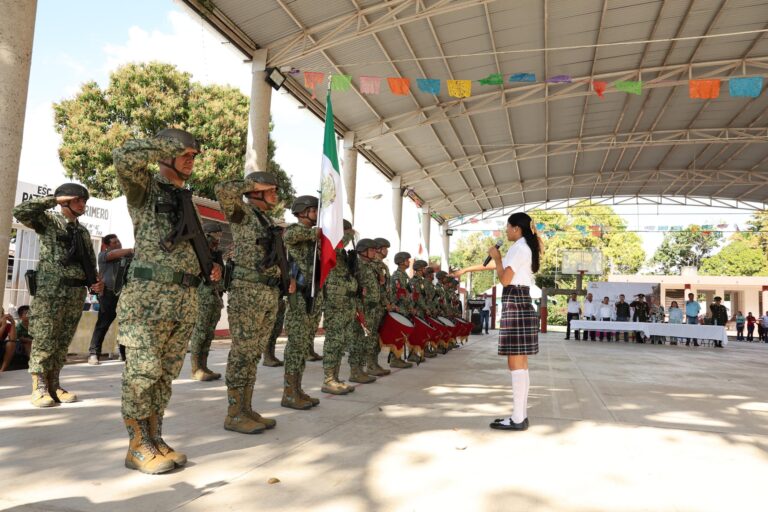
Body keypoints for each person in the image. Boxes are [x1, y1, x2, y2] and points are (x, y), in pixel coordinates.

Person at [113, 129, 221, 474]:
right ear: (166, 154)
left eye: (194, 155)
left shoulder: (185, 198)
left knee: (163, 377)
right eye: (185, 153)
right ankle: (137, 445)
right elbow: (124, 156)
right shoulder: (145, 188)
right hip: (148, 301)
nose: (191, 159)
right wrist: (166, 144)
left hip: (184, 299)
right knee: (142, 373)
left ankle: (155, 438)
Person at [13, 183, 103, 408]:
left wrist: (96, 282)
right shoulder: (49, 221)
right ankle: (39, 386)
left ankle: (54, 384)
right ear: (65, 201)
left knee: (62, 341)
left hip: (74, 293)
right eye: (78, 200)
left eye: (84, 201)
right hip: (50, 292)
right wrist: (54, 199)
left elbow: (90, 263)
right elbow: (20, 211)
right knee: (45, 338)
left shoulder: (82, 232)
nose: (83, 204)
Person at [454, 212, 543, 431]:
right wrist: (465, 270)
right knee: (520, 364)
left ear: (516, 229)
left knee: (515, 364)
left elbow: (504, 279)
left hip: (515, 300)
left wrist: (497, 257)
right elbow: (498, 269)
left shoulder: (520, 248)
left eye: (507, 227)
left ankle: (518, 418)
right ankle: (520, 415)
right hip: (520, 299)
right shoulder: (523, 247)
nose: (505, 230)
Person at [215, 172, 285, 432]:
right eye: (271, 190)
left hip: (267, 292)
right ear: (257, 192)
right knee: (242, 352)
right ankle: (234, 413)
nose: (276, 195)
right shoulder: (242, 213)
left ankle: (246, 408)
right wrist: (254, 184)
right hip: (247, 290)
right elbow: (222, 188)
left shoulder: (266, 220)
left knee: (254, 353)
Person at [282, 195, 324, 410]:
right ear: (302, 212)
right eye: (314, 210)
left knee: (303, 343)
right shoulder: (294, 231)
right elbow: (294, 235)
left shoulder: (312, 236)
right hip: (297, 294)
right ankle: (289, 392)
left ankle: (297, 389)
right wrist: (316, 234)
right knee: (296, 344)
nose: (318, 214)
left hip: (311, 293)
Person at [320, 220, 358, 395]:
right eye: (346, 232)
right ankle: (328, 379)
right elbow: (337, 242)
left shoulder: (343, 253)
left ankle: (334, 378)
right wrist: (348, 233)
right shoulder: (330, 246)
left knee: (341, 342)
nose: (350, 236)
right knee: (334, 342)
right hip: (335, 304)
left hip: (346, 304)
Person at [88, 234, 133, 365]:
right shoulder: (103, 255)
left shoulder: (126, 257)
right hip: (108, 293)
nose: (118, 244)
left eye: (118, 241)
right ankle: (93, 353)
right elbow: (112, 255)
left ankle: (124, 354)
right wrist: (131, 250)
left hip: (124, 294)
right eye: (114, 242)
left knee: (126, 324)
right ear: (106, 246)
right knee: (103, 323)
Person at [188, 223, 225, 381]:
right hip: (203, 295)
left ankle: (204, 366)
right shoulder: (201, 250)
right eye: (214, 235)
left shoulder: (215, 252)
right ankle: (196, 368)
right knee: (201, 331)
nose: (217, 239)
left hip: (215, 295)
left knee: (209, 333)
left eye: (219, 235)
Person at [374, 240, 411, 369]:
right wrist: (390, 305)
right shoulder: (396, 275)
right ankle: (374, 364)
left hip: (393, 307)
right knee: (377, 336)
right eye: (384, 248)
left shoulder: (387, 268)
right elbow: (393, 292)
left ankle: (396, 358)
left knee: (399, 335)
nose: (387, 250)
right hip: (389, 307)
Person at [348, 239, 381, 382]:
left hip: (371, 309)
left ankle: (361, 370)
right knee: (358, 340)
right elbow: (356, 289)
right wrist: (359, 309)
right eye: (372, 250)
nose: (375, 252)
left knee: (365, 341)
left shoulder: (370, 266)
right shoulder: (358, 266)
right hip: (362, 308)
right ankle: (355, 371)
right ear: (363, 251)